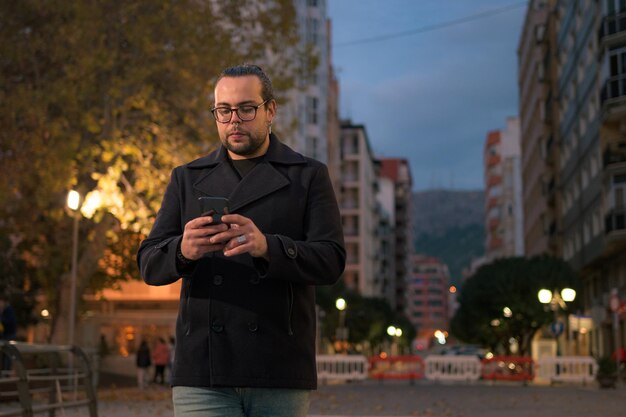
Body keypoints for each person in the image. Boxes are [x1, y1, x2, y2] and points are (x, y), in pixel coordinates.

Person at [137, 64, 345, 417]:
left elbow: (331, 260)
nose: (234, 119)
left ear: (270, 111)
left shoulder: (308, 175)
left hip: (278, 366)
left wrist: (268, 247)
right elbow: (148, 264)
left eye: (246, 109)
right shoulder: (186, 178)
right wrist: (183, 250)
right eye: (224, 110)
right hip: (203, 367)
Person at [0, 294, 17, 371]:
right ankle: (5, 371)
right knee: (5, 354)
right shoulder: (4, 310)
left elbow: (8, 322)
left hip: (9, 335)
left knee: (8, 355)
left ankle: (6, 371)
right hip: (5, 335)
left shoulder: (8, 310)